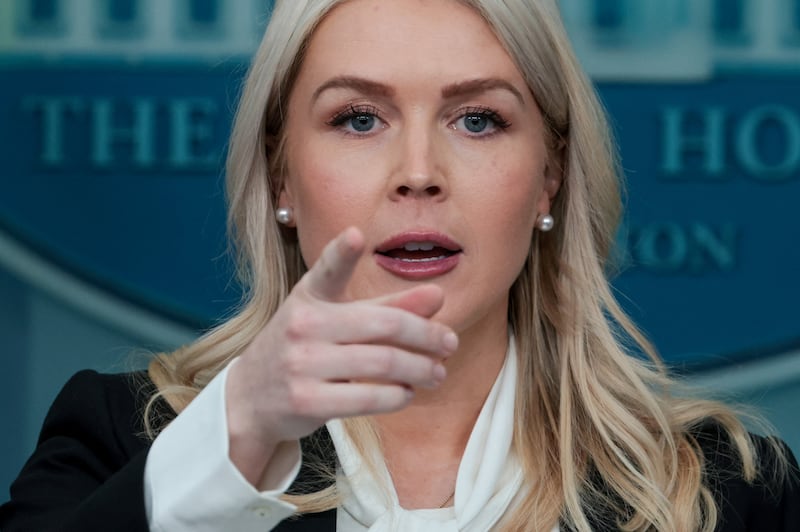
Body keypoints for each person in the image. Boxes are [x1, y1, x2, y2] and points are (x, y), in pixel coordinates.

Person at [2, 0, 798, 530]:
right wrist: (236, 439)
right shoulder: (118, 442)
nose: (419, 170)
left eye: (479, 119)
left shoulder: (726, 492)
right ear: (281, 175)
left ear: (549, 177)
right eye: (358, 119)